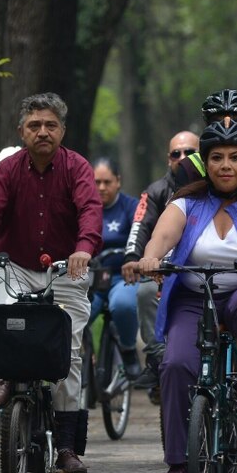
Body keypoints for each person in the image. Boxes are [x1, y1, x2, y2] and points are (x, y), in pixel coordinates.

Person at [138, 121, 237, 473]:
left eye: (234, 158)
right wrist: (151, 257)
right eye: (217, 158)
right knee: (174, 366)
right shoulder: (185, 201)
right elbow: (162, 236)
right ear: (205, 163)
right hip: (193, 297)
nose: (226, 165)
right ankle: (178, 464)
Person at [0, 92, 103, 473]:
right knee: (1, 319)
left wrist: (83, 249)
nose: (42, 132)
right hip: (15, 267)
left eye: (50, 125)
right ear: (21, 131)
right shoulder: (9, 169)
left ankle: (65, 447)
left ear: (62, 130)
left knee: (69, 353)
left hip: (67, 269)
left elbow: (91, 212)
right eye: (34, 126)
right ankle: (5, 375)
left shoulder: (77, 168)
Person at [122, 129, 199, 393]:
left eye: (190, 152)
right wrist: (134, 257)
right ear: (168, 159)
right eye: (176, 153)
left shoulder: (213, 187)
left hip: (204, 268)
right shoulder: (155, 191)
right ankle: (156, 357)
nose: (182, 157)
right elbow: (140, 226)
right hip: (163, 269)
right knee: (144, 292)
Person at [89, 157, 141, 379]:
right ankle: (80, 355)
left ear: (118, 181)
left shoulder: (131, 206)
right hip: (92, 277)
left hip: (123, 276)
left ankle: (128, 350)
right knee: (74, 313)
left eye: (107, 182)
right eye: (96, 182)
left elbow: (141, 236)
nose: (101, 188)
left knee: (122, 305)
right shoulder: (85, 207)